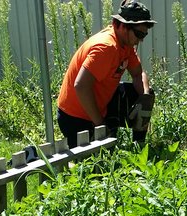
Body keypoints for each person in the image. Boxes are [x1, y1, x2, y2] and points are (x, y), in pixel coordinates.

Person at [55, 1, 155, 147]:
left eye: (144, 34)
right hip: (75, 118)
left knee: (143, 94)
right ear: (123, 26)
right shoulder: (106, 47)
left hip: (99, 107)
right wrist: (100, 124)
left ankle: (139, 147)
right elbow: (81, 86)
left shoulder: (125, 44)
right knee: (101, 165)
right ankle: (104, 132)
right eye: (139, 34)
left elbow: (138, 74)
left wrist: (145, 97)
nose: (141, 39)